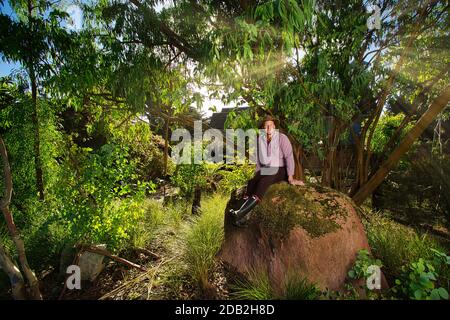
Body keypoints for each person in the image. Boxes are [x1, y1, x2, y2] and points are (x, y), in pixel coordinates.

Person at [230, 115, 304, 226]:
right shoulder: (260, 140)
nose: (268, 128)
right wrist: (257, 174)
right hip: (266, 169)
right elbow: (259, 161)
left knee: (263, 182)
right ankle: (242, 216)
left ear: (274, 126)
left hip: (279, 170)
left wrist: (291, 177)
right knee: (252, 182)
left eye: (271, 125)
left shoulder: (282, 138)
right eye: (266, 126)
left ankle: (240, 213)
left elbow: (289, 157)